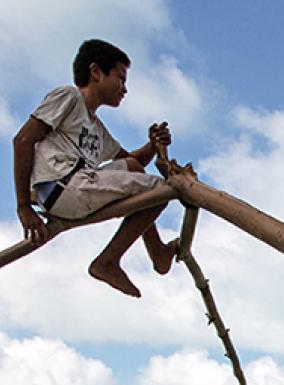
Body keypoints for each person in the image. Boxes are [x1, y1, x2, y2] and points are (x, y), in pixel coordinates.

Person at [13, 38, 179, 298]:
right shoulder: (69, 97)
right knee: (161, 189)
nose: (124, 89)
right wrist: (24, 207)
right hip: (62, 185)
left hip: (78, 186)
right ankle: (108, 261)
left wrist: (153, 144)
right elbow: (23, 140)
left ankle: (157, 251)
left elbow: (133, 163)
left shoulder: (97, 128)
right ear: (96, 72)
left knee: (134, 168)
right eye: (120, 79)